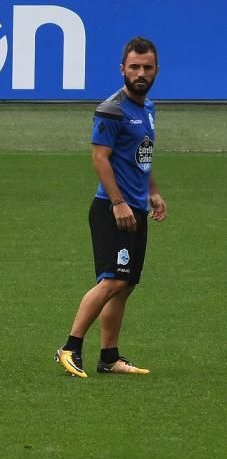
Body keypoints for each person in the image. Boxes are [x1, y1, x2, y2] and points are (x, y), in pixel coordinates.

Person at [55, 36, 165, 378]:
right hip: (111, 209)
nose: (141, 73)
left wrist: (153, 192)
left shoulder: (148, 108)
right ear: (122, 69)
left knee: (126, 284)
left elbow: (140, 156)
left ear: (156, 70)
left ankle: (110, 357)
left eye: (147, 67)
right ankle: (70, 347)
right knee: (112, 281)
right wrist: (118, 203)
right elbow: (99, 159)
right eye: (134, 67)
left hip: (136, 209)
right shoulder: (111, 110)